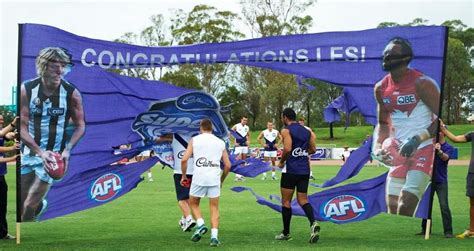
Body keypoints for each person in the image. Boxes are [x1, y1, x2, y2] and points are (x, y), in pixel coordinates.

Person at [372, 37, 440, 217]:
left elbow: (441, 121)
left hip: (424, 149)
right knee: (392, 210)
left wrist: (418, 139)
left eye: (391, 55)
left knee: (406, 204)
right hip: (398, 151)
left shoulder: (423, 84)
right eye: (385, 55)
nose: (386, 59)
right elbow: (383, 124)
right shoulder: (380, 88)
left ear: (406, 59)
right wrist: (377, 148)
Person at [20, 47, 85, 221]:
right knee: (21, 202)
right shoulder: (27, 89)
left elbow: (80, 125)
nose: (60, 71)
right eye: (55, 66)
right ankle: (39, 205)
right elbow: (22, 127)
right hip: (29, 152)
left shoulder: (72, 93)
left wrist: (68, 149)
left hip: (53, 156)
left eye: (63, 66)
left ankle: (33, 212)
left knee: (27, 209)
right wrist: (39, 152)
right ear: (43, 66)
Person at [180, 119, 231, 247]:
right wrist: (221, 180)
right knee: (214, 208)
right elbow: (228, 166)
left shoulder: (195, 140)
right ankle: (214, 237)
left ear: (200, 128)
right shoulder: (220, 142)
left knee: (193, 203)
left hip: (199, 178)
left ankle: (201, 224)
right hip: (214, 178)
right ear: (212, 128)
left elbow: (184, 160)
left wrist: (184, 176)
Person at [276, 108, 320, 243]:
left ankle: (286, 233)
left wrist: (282, 161)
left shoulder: (286, 130)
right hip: (304, 170)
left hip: (291, 170)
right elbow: (313, 149)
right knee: (303, 200)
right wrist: (301, 151)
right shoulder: (307, 131)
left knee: (286, 201)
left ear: (285, 118)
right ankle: (313, 223)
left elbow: (288, 148)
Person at [416, 127, 454, 238]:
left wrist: (439, 151)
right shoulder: (430, 146)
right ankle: (425, 229)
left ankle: (448, 231)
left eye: (439, 131)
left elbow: (445, 158)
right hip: (429, 181)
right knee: (426, 205)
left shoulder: (448, 147)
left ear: (443, 133)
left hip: (441, 181)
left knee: (444, 205)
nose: (437, 133)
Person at [440, 120, 474, 239]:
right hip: (472, 173)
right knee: (472, 201)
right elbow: (455, 139)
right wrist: (443, 129)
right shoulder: (472, 134)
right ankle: (472, 230)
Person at [157, 133, 196, 232]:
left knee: (182, 199)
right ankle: (184, 220)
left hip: (181, 172)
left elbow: (158, 139)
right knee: (188, 198)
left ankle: (189, 218)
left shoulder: (174, 136)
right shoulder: (196, 137)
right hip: (195, 172)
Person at [0, 115, 19, 240]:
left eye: (2, 119)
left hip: (1, 176)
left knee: (2, 206)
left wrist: (17, 133)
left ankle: (2, 233)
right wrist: (12, 154)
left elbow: (8, 135)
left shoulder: (2, 133)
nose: (1, 121)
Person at [231, 116, 250, 181]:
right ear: (241, 120)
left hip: (244, 145)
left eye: (246, 120)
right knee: (238, 160)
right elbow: (230, 133)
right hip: (238, 146)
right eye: (244, 120)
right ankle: (237, 176)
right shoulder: (236, 126)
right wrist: (234, 142)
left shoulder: (247, 127)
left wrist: (248, 142)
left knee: (244, 160)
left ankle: (241, 176)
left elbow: (248, 135)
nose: (245, 121)